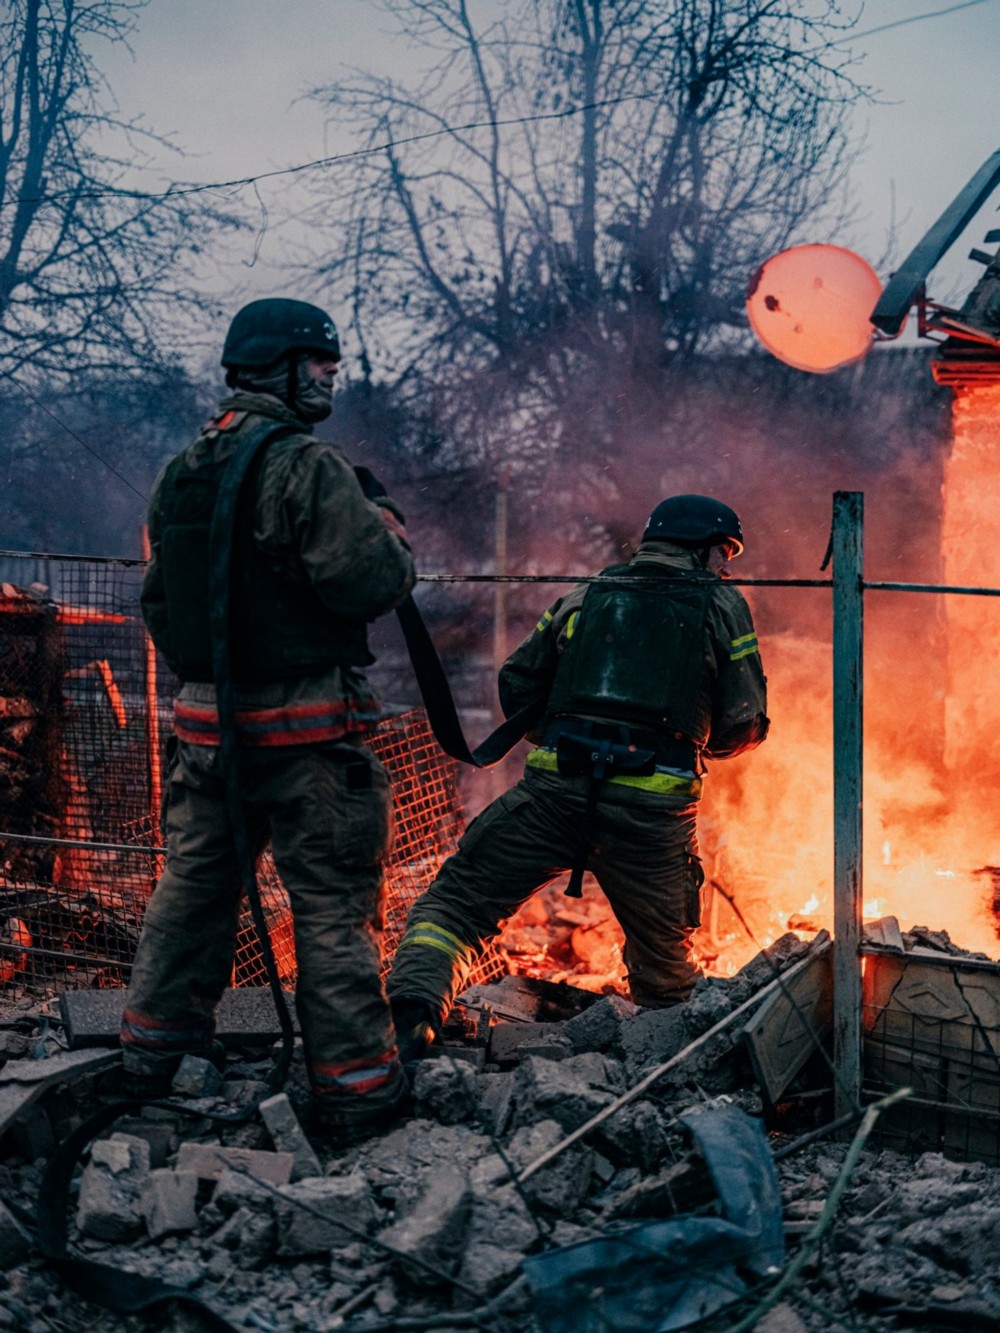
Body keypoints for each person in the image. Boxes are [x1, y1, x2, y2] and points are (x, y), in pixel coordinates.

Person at [119, 298, 415, 1139]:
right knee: (331, 906)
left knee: (191, 891)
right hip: (310, 741)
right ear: (281, 368)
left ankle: (147, 1058)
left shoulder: (184, 469)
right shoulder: (306, 465)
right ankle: (358, 1090)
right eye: (319, 362)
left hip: (207, 738)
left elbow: (158, 601)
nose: (331, 375)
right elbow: (371, 581)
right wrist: (388, 527)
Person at [387, 494, 769, 1060]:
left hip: (552, 798)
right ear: (708, 549)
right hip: (651, 821)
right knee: (666, 974)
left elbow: (518, 682)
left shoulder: (586, 595)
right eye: (724, 556)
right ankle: (665, 1076)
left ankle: (413, 1016)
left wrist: (569, 735)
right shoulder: (721, 603)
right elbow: (742, 723)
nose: (725, 568)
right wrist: (690, 737)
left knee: (454, 906)